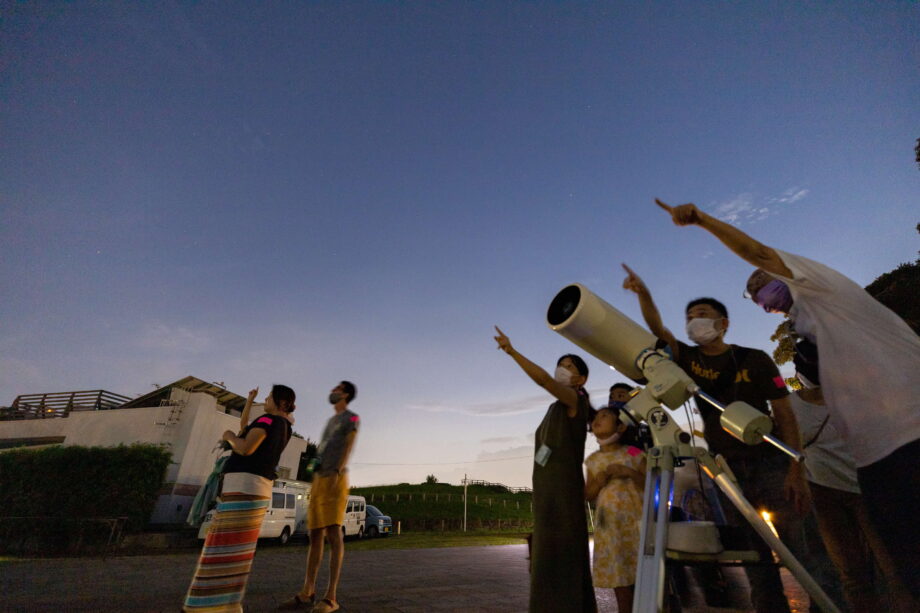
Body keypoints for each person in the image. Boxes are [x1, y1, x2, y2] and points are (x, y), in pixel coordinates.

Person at [654, 197, 920, 598]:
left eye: (763, 295)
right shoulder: (809, 333)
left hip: (908, 437)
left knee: (896, 572)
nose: (766, 308)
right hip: (874, 456)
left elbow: (758, 253)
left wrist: (704, 220)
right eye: (759, 305)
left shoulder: (818, 287)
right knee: (902, 570)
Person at [620, 266, 840, 613]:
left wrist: (796, 468)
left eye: (703, 315)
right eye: (690, 317)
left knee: (806, 552)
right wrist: (644, 294)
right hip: (728, 470)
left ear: (724, 323)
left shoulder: (755, 359)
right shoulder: (687, 361)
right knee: (757, 562)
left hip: (770, 464)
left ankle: (829, 605)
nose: (695, 322)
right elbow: (657, 330)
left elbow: (784, 413)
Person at [791, 340, 915, 613]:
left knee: (894, 568)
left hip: (868, 489)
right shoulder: (791, 407)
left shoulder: (858, 397)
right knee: (851, 573)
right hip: (824, 495)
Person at [493, 326, 597, 613]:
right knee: (546, 559)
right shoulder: (554, 409)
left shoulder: (576, 402)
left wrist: (512, 351)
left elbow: (542, 380)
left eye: (569, 366)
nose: (561, 369)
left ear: (581, 379)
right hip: (546, 493)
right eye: (560, 365)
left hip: (564, 493)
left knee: (563, 556)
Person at [183, 385, 296, 613]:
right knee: (237, 552)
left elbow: (245, 447)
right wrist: (248, 401)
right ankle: (229, 604)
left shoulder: (267, 421)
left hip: (244, 488)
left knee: (220, 547)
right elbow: (246, 427)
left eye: (268, 397)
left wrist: (228, 436)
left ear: (281, 403)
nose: (264, 400)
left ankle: (204, 606)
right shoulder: (282, 427)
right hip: (258, 489)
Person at [281, 381, 359, 613]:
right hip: (319, 480)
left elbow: (348, 444)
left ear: (345, 394)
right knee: (315, 535)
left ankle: (331, 596)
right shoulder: (329, 422)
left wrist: (337, 470)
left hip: (335, 478)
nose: (332, 391)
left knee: (334, 533)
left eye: (336, 389)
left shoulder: (352, 418)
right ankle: (308, 592)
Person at [584, 400, 646, 613]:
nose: (597, 420)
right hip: (610, 526)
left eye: (604, 416)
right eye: (596, 418)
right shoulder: (592, 460)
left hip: (636, 523)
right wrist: (599, 481)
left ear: (620, 427)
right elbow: (588, 494)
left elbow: (652, 482)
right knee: (620, 579)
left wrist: (629, 473)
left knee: (643, 574)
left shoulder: (633, 453)